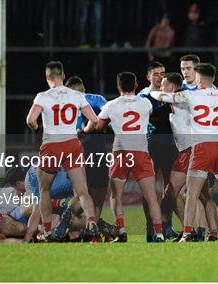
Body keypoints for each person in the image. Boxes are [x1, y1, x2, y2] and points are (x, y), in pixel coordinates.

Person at [150, 63, 218, 242]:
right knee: (217, 195)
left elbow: (164, 96)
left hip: (197, 148)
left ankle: (188, 232)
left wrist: (152, 91)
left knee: (187, 194)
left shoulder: (189, 95)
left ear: (199, 78)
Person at [26, 61, 101, 242]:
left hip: (51, 145)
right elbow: (94, 119)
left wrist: (37, 129)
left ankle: (48, 232)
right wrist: (84, 131)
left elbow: (30, 120)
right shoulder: (76, 95)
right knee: (82, 191)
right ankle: (92, 223)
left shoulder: (43, 96)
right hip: (72, 144)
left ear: (47, 77)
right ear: (63, 76)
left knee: (44, 190)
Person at [92, 72, 165, 242]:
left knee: (116, 196)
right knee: (151, 196)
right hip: (141, 152)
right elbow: (152, 115)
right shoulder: (145, 103)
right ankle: (159, 234)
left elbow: (99, 127)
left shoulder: (111, 105)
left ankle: (122, 231)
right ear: (136, 85)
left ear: (118, 87)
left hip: (121, 152)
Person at [160, 72, 218, 241]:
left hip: (194, 150)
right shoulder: (176, 101)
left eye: (164, 85)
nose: (161, 88)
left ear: (171, 87)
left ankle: (210, 233)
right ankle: (196, 231)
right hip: (185, 153)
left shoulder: (183, 97)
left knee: (201, 195)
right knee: (173, 192)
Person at [137, 62, 178, 241]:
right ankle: (151, 228)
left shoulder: (171, 94)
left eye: (162, 73)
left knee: (173, 188)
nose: (160, 76)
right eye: (155, 74)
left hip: (171, 145)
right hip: (150, 145)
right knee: (149, 189)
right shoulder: (143, 96)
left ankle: (166, 224)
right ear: (148, 77)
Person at [65, 76, 109, 220]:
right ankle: (93, 228)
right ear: (83, 88)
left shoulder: (63, 107)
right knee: (99, 195)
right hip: (97, 153)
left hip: (75, 155)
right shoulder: (96, 99)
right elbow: (108, 113)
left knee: (79, 194)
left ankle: (68, 216)